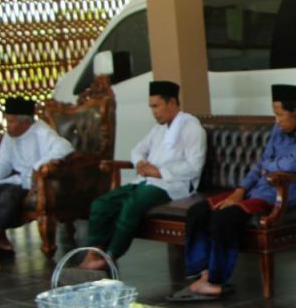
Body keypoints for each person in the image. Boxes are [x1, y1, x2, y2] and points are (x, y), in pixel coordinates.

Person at [167, 84, 296, 301]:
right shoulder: (279, 130)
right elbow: (262, 164)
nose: (276, 121)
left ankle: (215, 281)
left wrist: (269, 166)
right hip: (256, 190)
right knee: (198, 211)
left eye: (280, 115)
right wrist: (240, 190)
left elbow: (293, 165)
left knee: (223, 218)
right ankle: (203, 273)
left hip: (280, 195)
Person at [81, 81, 206, 270]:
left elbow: (194, 167)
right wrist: (139, 162)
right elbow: (138, 149)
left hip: (173, 185)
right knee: (101, 204)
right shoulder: (158, 129)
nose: (154, 112)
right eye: (151, 107)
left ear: (172, 102)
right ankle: (93, 254)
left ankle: (110, 257)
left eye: (156, 106)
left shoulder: (192, 129)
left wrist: (159, 172)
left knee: (132, 205)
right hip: (145, 181)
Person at [0, 97, 74, 260]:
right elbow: (4, 161)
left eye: (11, 121)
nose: (7, 126)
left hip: (40, 183)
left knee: (8, 196)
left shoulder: (42, 132)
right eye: (7, 121)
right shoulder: (10, 136)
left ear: (25, 122)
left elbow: (65, 147)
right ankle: (1, 242)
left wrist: (38, 166)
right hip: (20, 180)